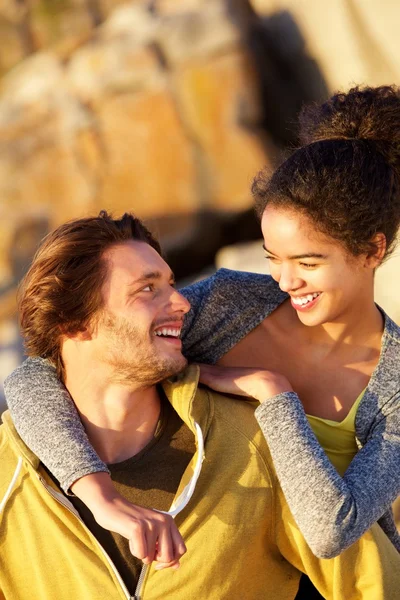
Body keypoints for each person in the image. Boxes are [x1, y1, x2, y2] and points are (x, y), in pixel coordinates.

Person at [3, 86, 400, 580]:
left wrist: (272, 394)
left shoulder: (396, 384)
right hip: (208, 558)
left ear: (371, 250)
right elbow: (37, 376)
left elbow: (330, 529)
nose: (285, 281)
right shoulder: (227, 304)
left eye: (308, 262)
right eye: (273, 257)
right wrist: (96, 491)